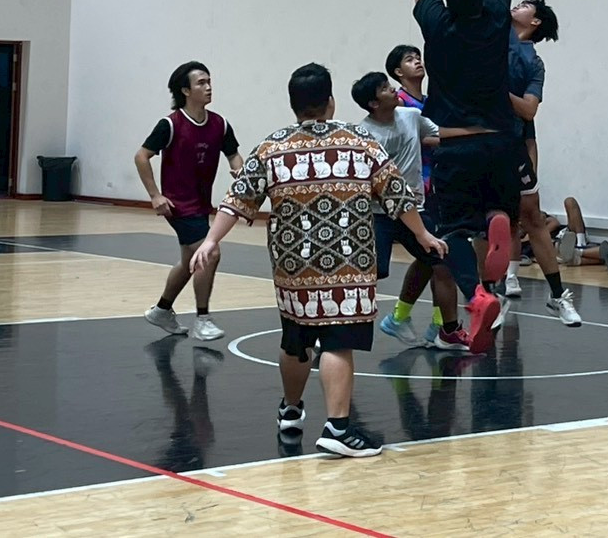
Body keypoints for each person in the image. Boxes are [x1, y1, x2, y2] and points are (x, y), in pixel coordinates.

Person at [191, 63, 446, 459]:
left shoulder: (271, 147)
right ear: (330, 101)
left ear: (293, 104)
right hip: (349, 262)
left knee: (296, 340)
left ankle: (291, 411)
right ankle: (338, 428)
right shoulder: (360, 142)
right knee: (338, 341)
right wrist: (423, 235)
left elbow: (238, 199)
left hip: (294, 264)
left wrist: (211, 240)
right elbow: (397, 194)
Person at [412, 0, 522, 353]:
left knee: (451, 230)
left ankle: (477, 295)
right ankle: (497, 218)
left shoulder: (438, 24)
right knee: (495, 208)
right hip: (500, 140)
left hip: (455, 145)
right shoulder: (497, 16)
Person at [350, 71, 467, 351]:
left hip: (414, 209)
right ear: (373, 103)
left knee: (438, 259)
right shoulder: (363, 135)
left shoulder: (412, 116)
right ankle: (332, 328)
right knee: (372, 272)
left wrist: (473, 133)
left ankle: (448, 330)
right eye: (384, 88)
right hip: (378, 213)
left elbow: (439, 135)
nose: (392, 89)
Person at [135, 61, 242, 342]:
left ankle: (161, 310)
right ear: (185, 90)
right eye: (201, 83)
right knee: (210, 253)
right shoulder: (170, 124)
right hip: (178, 205)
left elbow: (233, 154)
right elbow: (142, 156)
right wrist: (155, 195)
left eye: (209, 81)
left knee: (189, 262)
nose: (208, 87)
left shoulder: (219, 124)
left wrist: (239, 172)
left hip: (201, 204)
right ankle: (202, 320)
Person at [505, 0, 581, 325]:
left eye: (525, 5)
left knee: (530, 218)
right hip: (475, 142)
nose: (517, 5)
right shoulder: (489, 36)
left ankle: (557, 295)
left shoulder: (532, 62)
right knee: (488, 224)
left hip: (511, 146)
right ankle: (490, 291)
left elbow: (528, 112)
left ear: (534, 22)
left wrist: (495, 89)